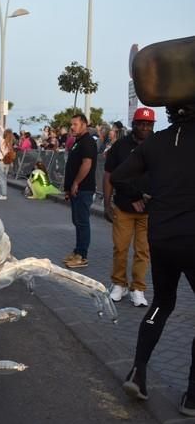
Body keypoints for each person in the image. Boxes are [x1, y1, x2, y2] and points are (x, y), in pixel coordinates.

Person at [111, 103, 195, 415]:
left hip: (162, 236)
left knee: (162, 301)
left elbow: (118, 176)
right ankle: (192, 396)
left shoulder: (156, 142)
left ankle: (138, 370)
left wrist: (138, 195)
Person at [103, 108, 155, 307]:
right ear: (133, 124)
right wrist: (107, 204)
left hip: (149, 210)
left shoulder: (157, 146)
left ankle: (138, 288)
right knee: (121, 248)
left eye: (149, 124)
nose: (145, 127)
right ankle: (119, 284)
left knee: (144, 251)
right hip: (124, 207)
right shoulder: (120, 147)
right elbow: (109, 176)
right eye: (141, 123)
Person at [62, 113, 97, 269]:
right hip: (76, 190)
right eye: (72, 124)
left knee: (82, 222)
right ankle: (77, 251)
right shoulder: (78, 142)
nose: (72, 127)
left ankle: (82, 256)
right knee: (77, 221)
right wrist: (69, 188)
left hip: (84, 189)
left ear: (84, 125)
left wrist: (76, 183)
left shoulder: (88, 142)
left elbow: (87, 164)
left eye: (75, 124)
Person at [0, 122, 14, 200]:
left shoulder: (2, 141)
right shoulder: (9, 143)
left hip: (0, 161)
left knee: (1, 179)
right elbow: (5, 132)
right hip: (7, 162)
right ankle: (4, 193)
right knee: (4, 178)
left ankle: (3, 195)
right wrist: (1, 126)